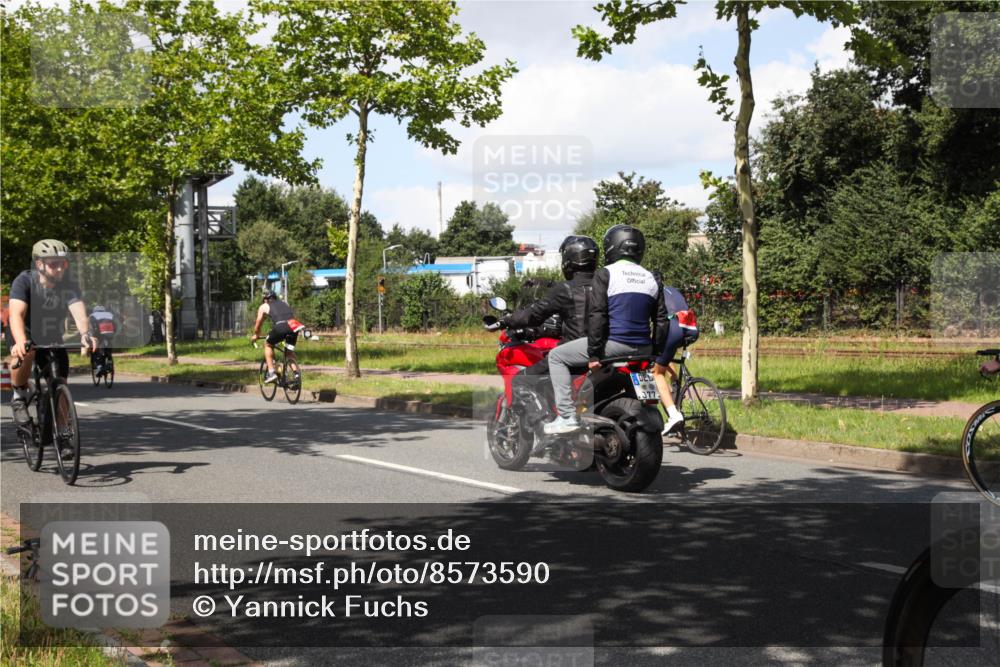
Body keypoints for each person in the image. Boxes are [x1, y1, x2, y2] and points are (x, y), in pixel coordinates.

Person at [543, 225, 667, 434]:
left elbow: (597, 316)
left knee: (556, 356)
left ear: (611, 247)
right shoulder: (651, 277)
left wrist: (594, 354)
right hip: (645, 348)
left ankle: (566, 416)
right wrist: (656, 351)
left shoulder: (606, 274)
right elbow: (661, 320)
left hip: (615, 346)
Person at [7, 239, 96, 433]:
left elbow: (79, 311)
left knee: (60, 384)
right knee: (26, 352)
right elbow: (16, 314)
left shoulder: (68, 284)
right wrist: (21, 341)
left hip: (51, 334)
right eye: (53, 263)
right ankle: (19, 395)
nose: (59, 269)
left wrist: (86, 334)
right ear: (39, 264)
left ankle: (63, 431)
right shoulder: (24, 281)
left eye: (63, 263)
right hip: (24, 330)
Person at [499, 235, 599, 368]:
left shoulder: (565, 288)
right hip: (602, 352)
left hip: (573, 355)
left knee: (521, 381)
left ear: (569, 259)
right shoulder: (606, 284)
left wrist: (508, 320)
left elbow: (534, 315)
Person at [650, 281, 699, 434]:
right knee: (665, 358)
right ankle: (676, 383)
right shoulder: (672, 289)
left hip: (673, 326)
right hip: (691, 327)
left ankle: (673, 414)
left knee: (656, 373)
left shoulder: (651, 291)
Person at [250, 290, 303, 384]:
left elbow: (258, 323)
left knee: (268, 344)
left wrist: (256, 335)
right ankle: (297, 375)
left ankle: (271, 373)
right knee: (289, 352)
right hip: (294, 326)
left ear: (265, 299)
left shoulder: (264, 306)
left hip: (281, 326)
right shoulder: (284, 303)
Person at [89, 304, 117, 378]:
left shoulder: (92, 315)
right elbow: (115, 325)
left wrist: (91, 336)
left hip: (99, 334)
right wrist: (114, 333)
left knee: (95, 350)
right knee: (108, 349)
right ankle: (110, 360)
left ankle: (99, 366)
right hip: (110, 333)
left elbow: (91, 327)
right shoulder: (110, 314)